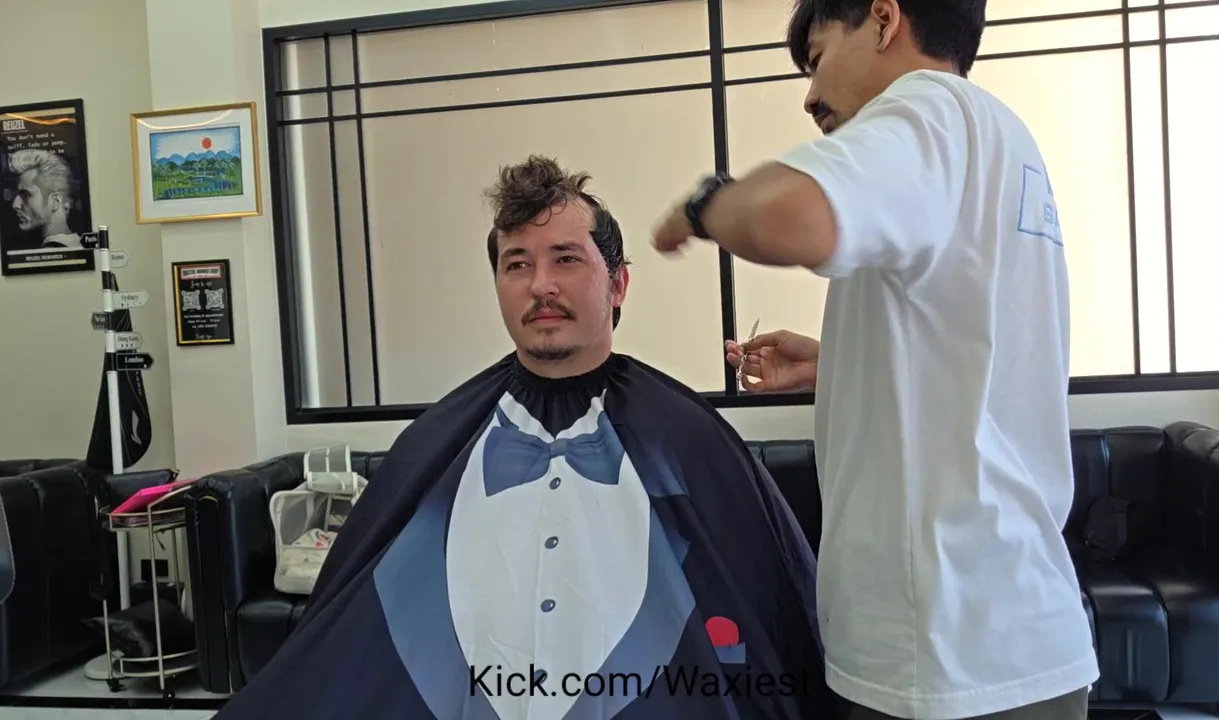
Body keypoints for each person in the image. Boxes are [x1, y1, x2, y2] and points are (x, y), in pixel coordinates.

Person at [212, 155, 835, 720]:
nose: (541, 285)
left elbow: (777, 610)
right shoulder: (436, 440)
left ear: (618, 283)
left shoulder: (689, 437)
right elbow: (348, 625)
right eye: (517, 264)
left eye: (566, 258)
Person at [650, 1, 1098, 720]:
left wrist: (706, 204)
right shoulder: (999, 138)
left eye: (818, 57)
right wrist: (838, 366)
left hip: (945, 658)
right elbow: (975, 356)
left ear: (885, 20)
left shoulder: (926, 111)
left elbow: (785, 214)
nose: (810, 96)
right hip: (1013, 632)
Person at [8, 148, 80, 248]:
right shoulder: (77, 244)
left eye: (25, 194)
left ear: (55, 201)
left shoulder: (53, 251)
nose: (15, 205)